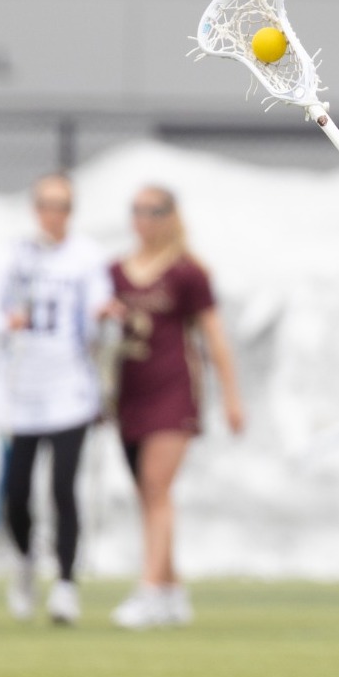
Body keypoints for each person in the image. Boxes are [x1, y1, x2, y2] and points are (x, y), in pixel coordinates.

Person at [105, 185, 244, 629]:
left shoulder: (187, 272)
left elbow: (213, 336)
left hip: (172, 391)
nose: (143, 220)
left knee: (157, 486)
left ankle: (149, 589)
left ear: (170, 216)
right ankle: (170, 588)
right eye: (137, 210)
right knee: (145, 492)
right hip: (129, 393)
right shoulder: (114, 271)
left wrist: (230, 396)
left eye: (153, 211)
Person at [0, 173, 113, 624]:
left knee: (63, 488)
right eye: (46, 204)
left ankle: (65, 583)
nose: (53, 214)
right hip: (20, 391)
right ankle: (23, 564)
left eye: (62, 205)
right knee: (17, 492)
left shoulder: (87, 257)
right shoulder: (14, 254)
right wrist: (7, 322)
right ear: (35, 208)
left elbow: (99, 309)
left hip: (69, 391)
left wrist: (103, 317)